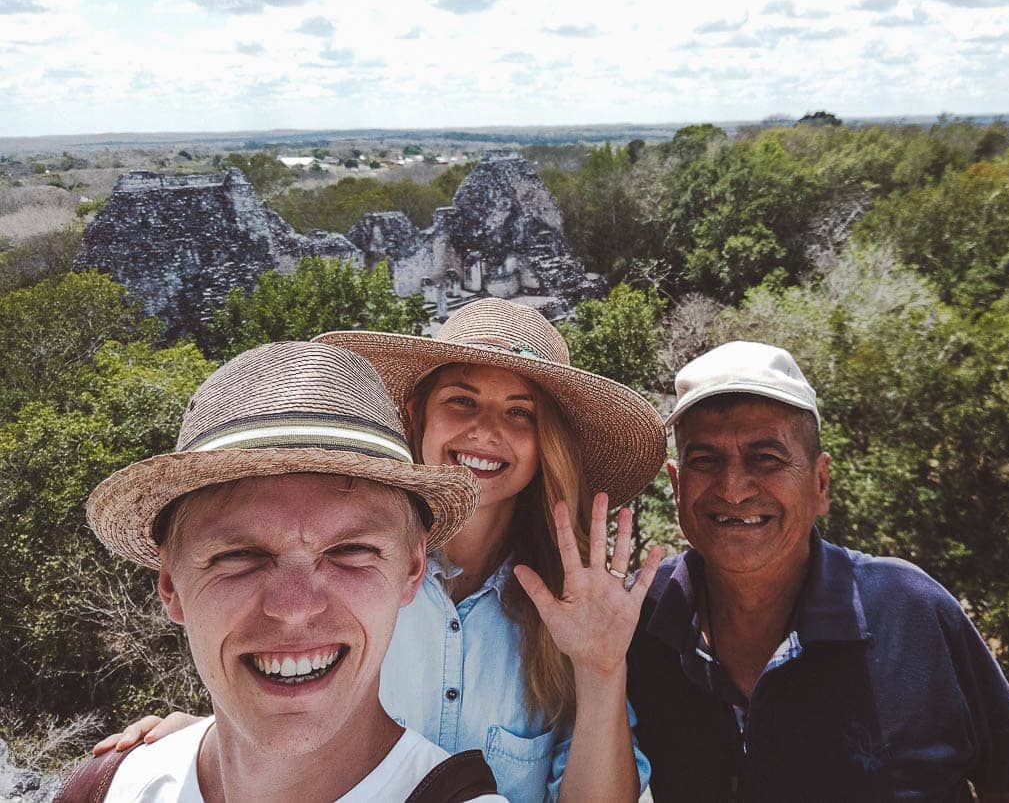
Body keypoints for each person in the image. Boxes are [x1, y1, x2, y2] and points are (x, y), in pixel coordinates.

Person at [95, 299, 667, 803]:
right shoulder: (352, 587)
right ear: (417, 414)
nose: (486, 431)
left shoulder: (571, 610)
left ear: (548, 443)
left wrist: (599, 669)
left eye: (520, 412)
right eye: (462, 401)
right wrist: (209, 743)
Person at [66, 341, 504, 802]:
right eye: (238, 556)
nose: (295, 607)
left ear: (412, 569)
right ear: (171, 584)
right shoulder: (105, 789)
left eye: (351, 550)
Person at [626, 341, 1009, 802]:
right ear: (676, 485)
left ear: (820, 483)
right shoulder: (637, 620)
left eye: (766, 457)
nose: (733, 489)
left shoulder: (911, 611)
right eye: (705, 460)